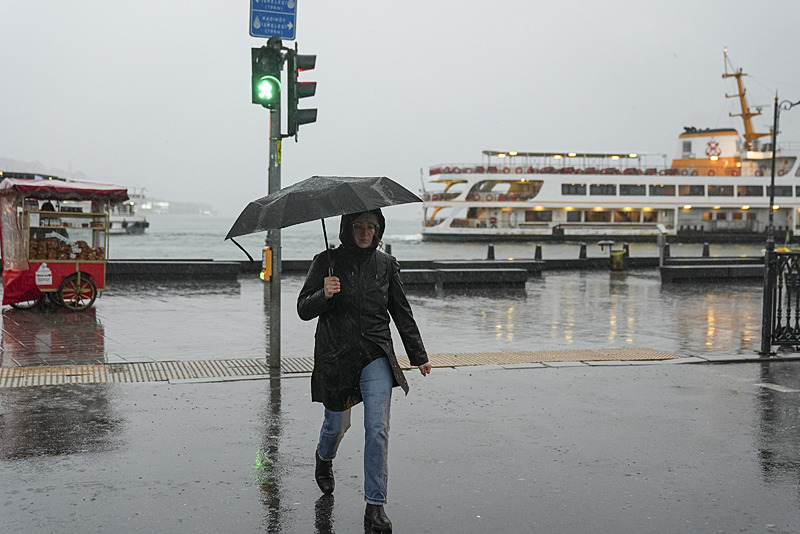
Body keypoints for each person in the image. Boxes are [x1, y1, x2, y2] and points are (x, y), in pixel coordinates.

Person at [297, 209, 432, 532]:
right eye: (359, 226)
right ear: (348, 228)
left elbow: (401, 311)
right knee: (335, 425)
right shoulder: (326, 261)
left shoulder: (385, 264)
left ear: (379, 229)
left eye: (372, 226)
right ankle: (324, 457)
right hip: (336, 355)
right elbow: (303, 308)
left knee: (377, 428)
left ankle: (375, 506)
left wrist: (418, 354)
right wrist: (324, 295)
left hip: (375, 353)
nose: (365, 232)